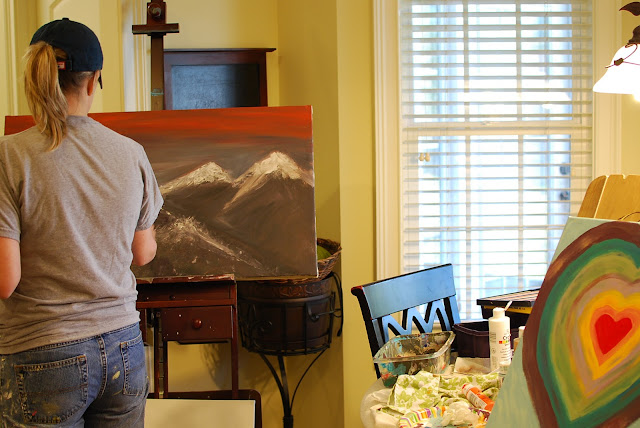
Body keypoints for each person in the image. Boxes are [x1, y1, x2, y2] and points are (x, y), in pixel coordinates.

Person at [0, 18, 163, 427]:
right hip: (124, 347)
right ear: (93, 81)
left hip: (41, 351)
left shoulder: (9, 156)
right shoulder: (130, 153)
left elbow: (5, 280)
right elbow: (143, 253)